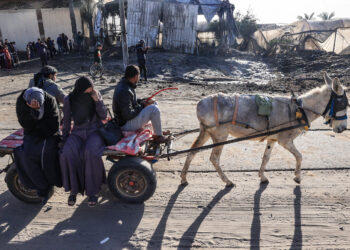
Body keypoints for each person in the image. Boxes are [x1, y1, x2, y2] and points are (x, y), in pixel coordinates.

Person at [60, 76, 107, 207]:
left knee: (90, 152)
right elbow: (67, 121)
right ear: (80, 90)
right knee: (67, 153)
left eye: (91, 90)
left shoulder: (95, 95)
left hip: (94, 131)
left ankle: (93, 192)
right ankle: (73, 190)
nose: (90, 93)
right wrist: (64, 140)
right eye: (87, 91)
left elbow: (103, 116)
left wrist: (98, 101)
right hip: (77, 132)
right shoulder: (69, 99)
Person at [14, 87, 62, 204]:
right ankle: (42, 187)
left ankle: (50, 183)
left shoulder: (49, 100)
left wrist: (37, 124)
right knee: (27, 155)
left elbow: (54, 124)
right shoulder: (22, 101)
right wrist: (34, 112)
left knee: (47, 155)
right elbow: (25, 123)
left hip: (49, 134)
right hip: (32, 134)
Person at [112, 65, 168, 143]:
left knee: (154, 103)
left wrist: (143, 101)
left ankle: (157, 132)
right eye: (138, 75)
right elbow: (127, 115)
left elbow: (132, 102)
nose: (139, 78)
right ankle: (158, 136)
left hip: (125, 121)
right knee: (154, 109)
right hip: (125, 125)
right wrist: (142, 106)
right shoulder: (124, 90)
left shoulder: (125, 84)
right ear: (135, 76)